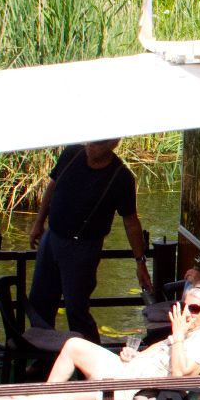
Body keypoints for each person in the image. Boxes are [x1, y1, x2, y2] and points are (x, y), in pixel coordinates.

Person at [0, 282, 200, 400]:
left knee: (69, 394)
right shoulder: (190, 330)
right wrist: (136, 355)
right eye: (184, 306)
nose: (187, 313)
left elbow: (179, 376)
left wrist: (179, 337)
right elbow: (157, 348)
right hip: (126, 371)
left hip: (129, 389)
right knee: (73, 345)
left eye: (194, 309)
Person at [27, 139, 149, 335]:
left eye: (98, 143)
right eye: (90, 141)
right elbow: (52, 186)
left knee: (76, 308)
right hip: (52, 236)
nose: (91, 146)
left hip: (83, 248)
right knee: (39, 301)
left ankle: (88, 360)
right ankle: (42, 359)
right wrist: (38, 223)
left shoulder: (121, 177)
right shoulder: (71, 153)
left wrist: (140, 262)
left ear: (114, 143)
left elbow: (131, 222)